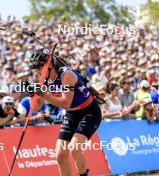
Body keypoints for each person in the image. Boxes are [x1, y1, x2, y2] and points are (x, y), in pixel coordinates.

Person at [27, 48, 103, 176]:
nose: (38, 72)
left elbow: (65, 103)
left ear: (49, 64)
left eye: (39, 68)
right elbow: (36, 107)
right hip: (72, 113)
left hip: (89, 111)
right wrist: (31, 95)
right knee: (60, 155)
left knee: (74, 148)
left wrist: (45, 95)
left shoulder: (66, 75)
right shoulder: (43, 80)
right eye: (35, 69)